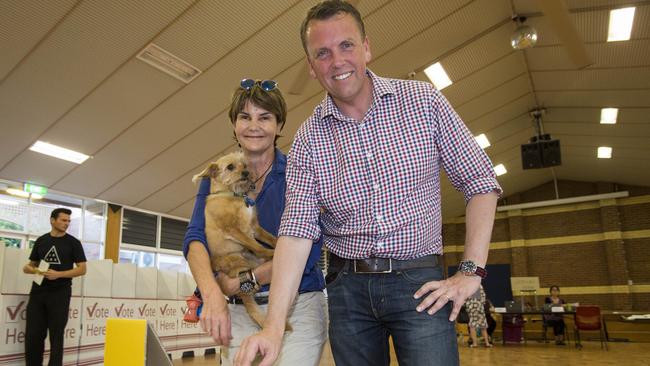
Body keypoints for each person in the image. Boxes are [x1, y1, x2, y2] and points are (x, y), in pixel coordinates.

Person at [235, 1, 502, 365]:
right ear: (312, 67)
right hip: (348, 292)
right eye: (323, 53)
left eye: (347, 45)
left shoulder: (422, 102)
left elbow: (480, 181)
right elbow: (296, 233)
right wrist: (273, 327)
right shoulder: (309, 139)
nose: (337, 61)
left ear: (367, 48)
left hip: (420, 283)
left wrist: (471, 271)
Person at [183, 79, 327, 366]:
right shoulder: (217, 176)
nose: (254, 126)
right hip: (240, 311)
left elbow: (307, 252)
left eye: (265, 118)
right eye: (245, 117)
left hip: (297, 308)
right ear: (234, 125)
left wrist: (245, 283)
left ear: (279, 125)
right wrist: (212, 293)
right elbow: (195, 237)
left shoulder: (298, 173)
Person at [22, 208, 87, 366]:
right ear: (52, 220)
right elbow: (28, 267)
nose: (67, 223)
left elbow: (82, 269)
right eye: (63, 220)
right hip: (38, 292)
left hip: (60, 294)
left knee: (56, 337)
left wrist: (59, 274)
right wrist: (36, 270)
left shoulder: (73, 243)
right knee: (33, 335)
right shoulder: (42, 240)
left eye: (68, 221)